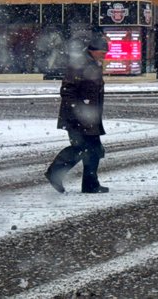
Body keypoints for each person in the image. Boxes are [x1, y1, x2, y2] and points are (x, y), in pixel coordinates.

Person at [44, 33, 110, 194]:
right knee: (81, 147)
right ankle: (55, 173)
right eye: (102, 51)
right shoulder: (80, 65)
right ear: (93, 50)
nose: (104, 54)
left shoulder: (93, 64)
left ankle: (91, 184)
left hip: (90, 118)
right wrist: (78, 111)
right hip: (77, 118)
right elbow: (67, 91)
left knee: (94, 150)